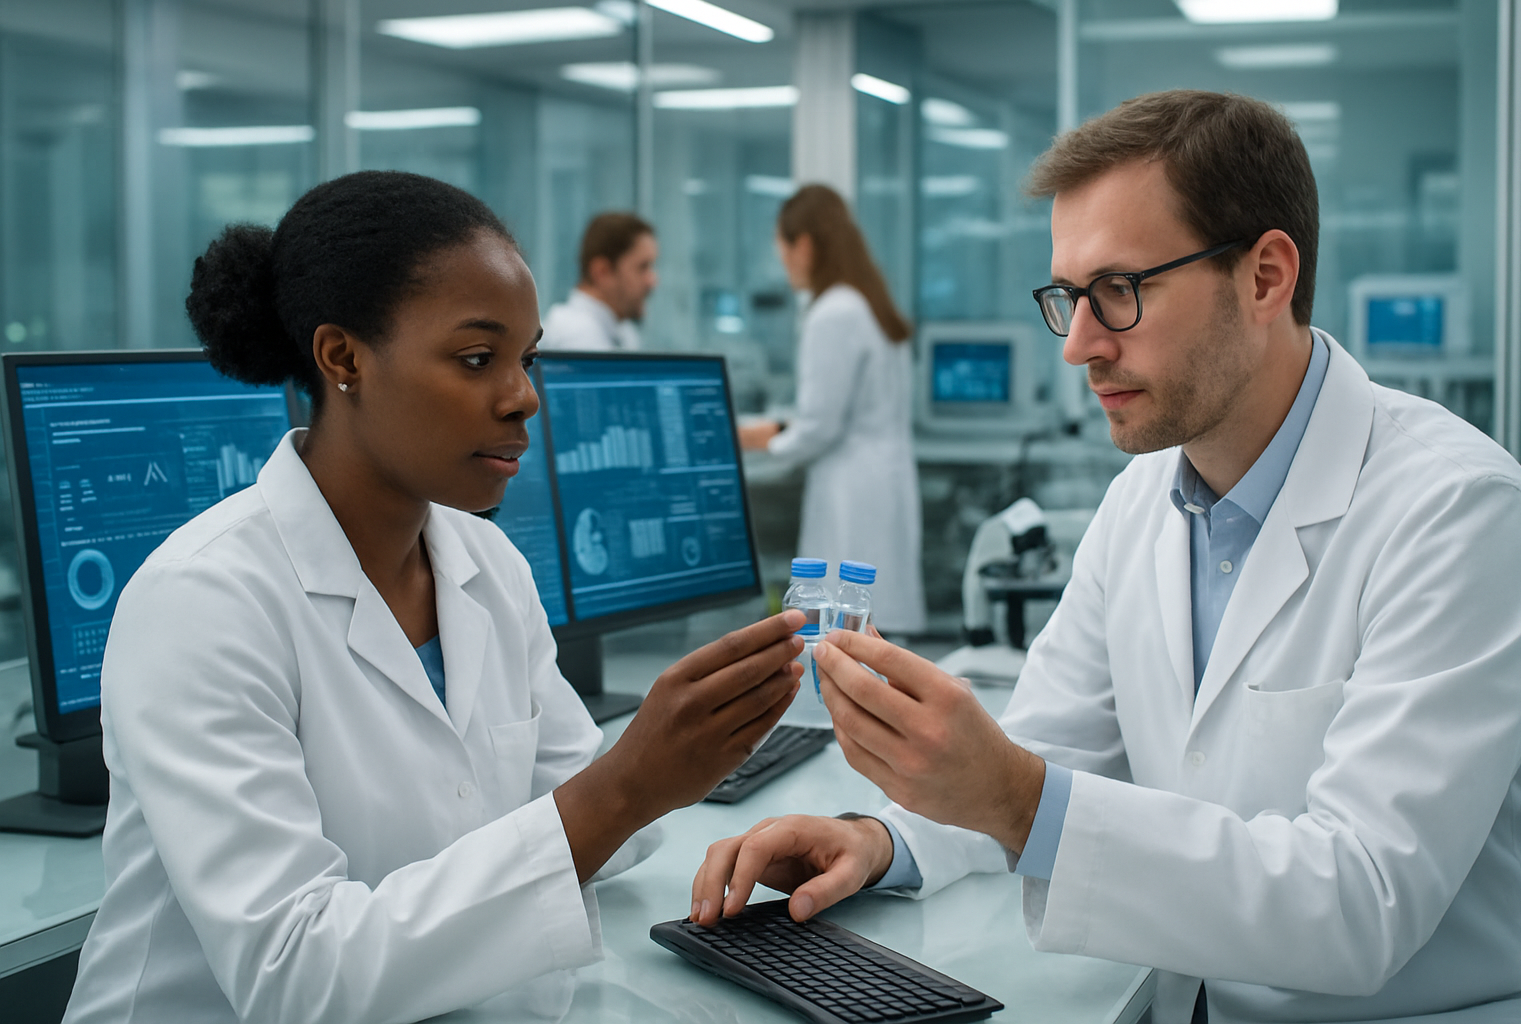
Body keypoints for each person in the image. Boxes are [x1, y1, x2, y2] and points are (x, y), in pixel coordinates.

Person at [692, 92, 1521, 1024]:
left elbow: (1362, 900)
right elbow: (1047, 749)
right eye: (1068, 298)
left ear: (1264, 277)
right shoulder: (1145, 497)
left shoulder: (1456, 511)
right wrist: (880, 841)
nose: (1079, 347)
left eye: (1120, 291)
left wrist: (1017, 799)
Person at [63, 170, 805, 1024]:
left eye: (527, 359)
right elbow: (295, 975)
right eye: (477, 359)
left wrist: (700, 771)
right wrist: (626, 788)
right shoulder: (203, 603)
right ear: (343, 358)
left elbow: (585, 815)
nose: (524, 397)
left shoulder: (486, 565)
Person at [738, 184, 926, 635]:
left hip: (851, 492)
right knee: (876, 631)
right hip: (882, 480)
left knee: (844, 629)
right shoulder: (868, 302)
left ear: (803, 245)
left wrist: (765, 442)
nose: (784, 263)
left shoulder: (833, 312)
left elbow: (820, 427)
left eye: (783, 250)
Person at [540, 211, 657, 351]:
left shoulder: (623, 331)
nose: (652, 281)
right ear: (602, 271)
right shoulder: (575, 334)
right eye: (642, 267)